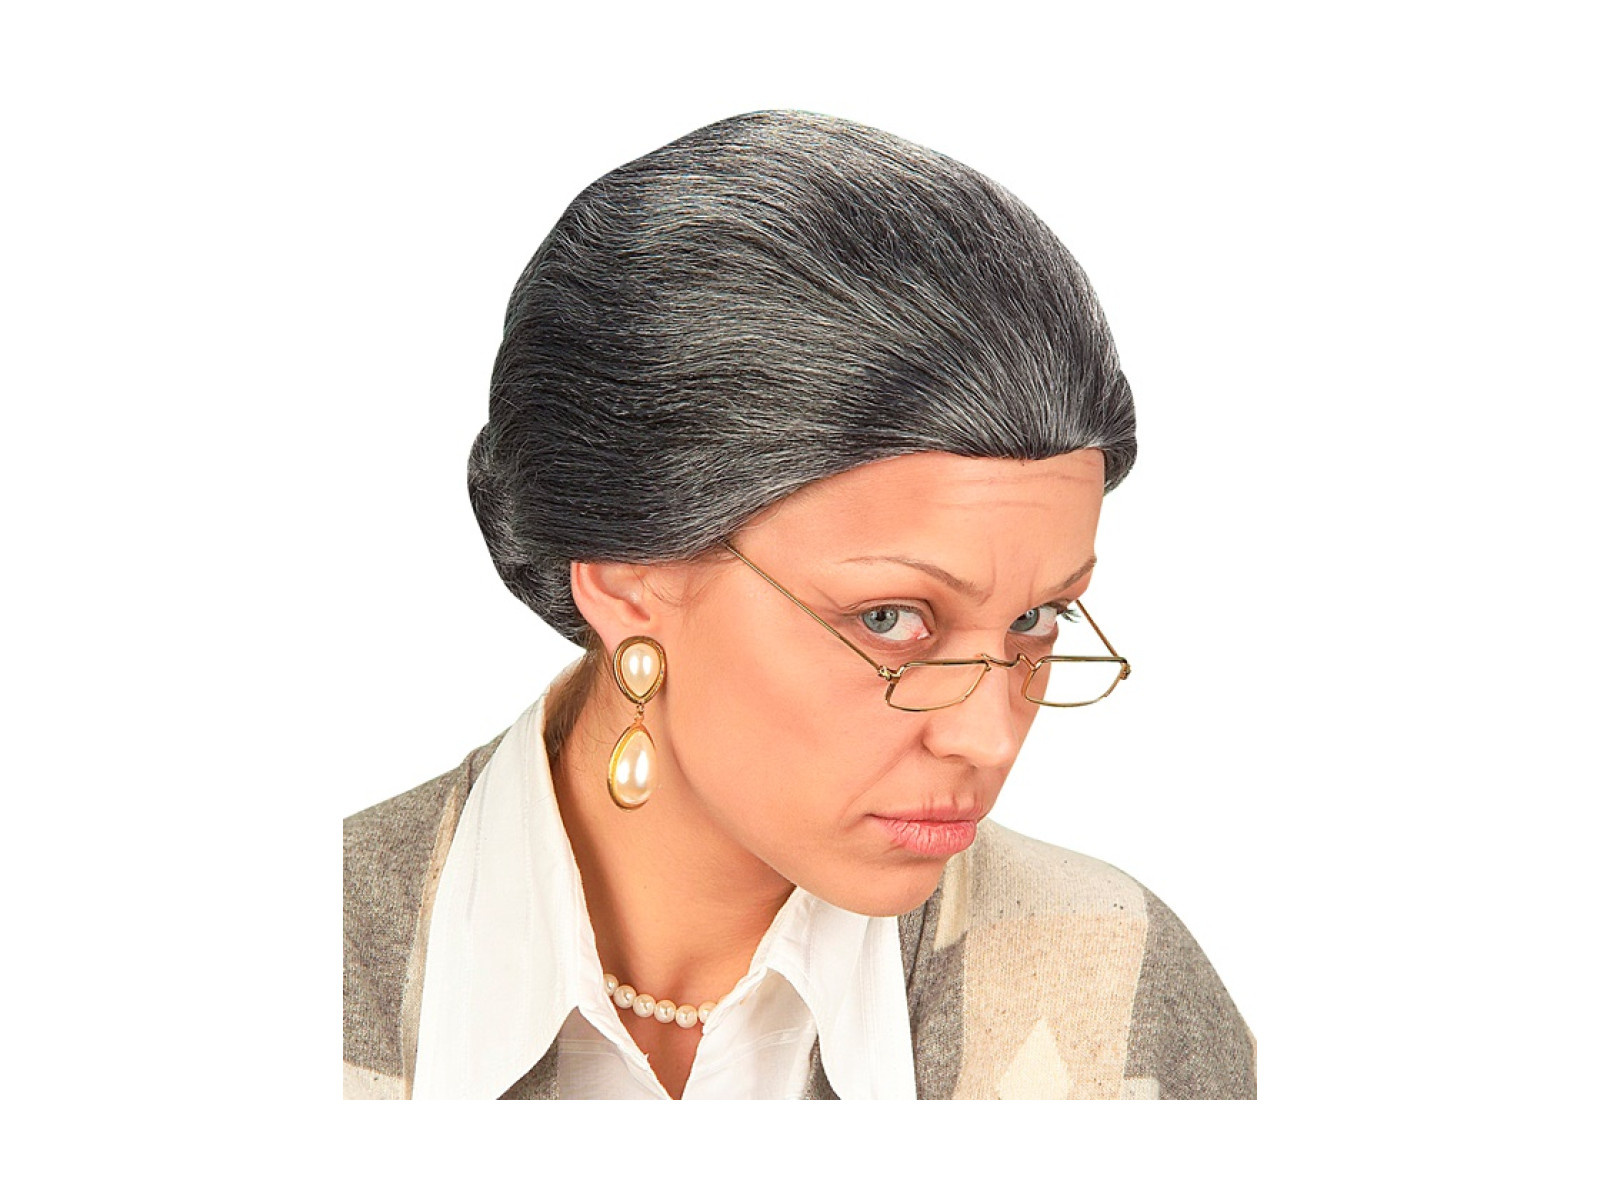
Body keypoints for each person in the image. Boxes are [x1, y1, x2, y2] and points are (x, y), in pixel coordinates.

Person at [342, 109, 1255, 1100]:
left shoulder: (1117, 990)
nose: (988, 737)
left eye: (1036, 619)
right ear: (626, 576)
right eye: (890, 619)